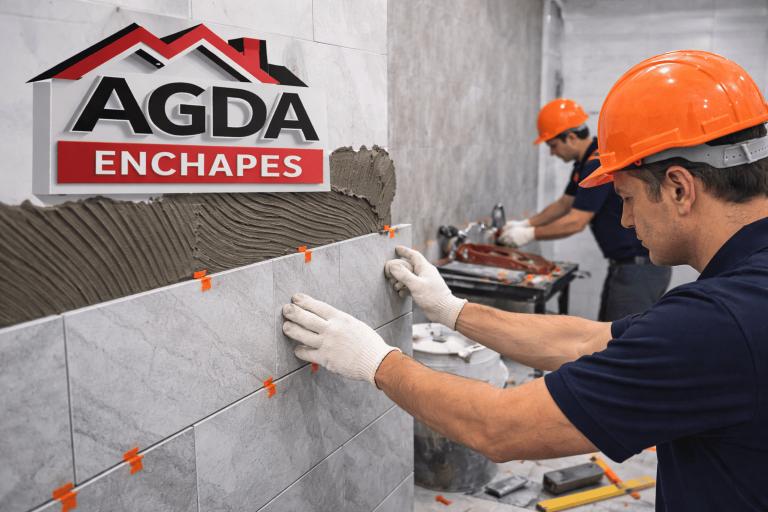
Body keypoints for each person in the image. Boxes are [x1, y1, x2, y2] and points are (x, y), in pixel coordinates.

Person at [281, 50, 768, 511]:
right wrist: (452, 309)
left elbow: (501, 427)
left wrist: (376, 361)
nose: (624, 219)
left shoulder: (719, 321)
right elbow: (586, 340)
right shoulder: (742, 292)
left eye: (627, 198)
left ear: (680, 188)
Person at [501, 98, 671, 320]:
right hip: (627, 266)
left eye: (553, 145)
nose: (552, 153)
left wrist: (527, 235)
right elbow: (564, 204)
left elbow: (576, 221)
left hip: (640, 269)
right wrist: (525, 223)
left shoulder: (597, 163)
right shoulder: (586, 161)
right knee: (609, 330)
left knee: (621, 335)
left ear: (571, 138)